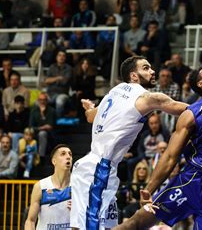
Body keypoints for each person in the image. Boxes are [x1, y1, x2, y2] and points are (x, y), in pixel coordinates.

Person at [114, 0, 202, 229]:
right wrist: (149, 190)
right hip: (193, 181)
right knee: (137, 223)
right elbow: (169, 158)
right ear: (200, 82)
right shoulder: (191, 113)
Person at [69, 55, 188, 229]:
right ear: (133, 76)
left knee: (107, 226)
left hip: (99, 167)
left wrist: (90, 108)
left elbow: (90, 117)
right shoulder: (145, 97)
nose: (152, 71)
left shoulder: (114, 92)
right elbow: (187, 110)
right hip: (98, 170)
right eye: (146, 68)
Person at [25, 144, 73, 230]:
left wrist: (79, 211)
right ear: (54, 161)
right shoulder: (41, 186)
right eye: (63, 154)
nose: (68, 156)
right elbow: (30, 221)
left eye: (70, 154)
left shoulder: (78, 186)